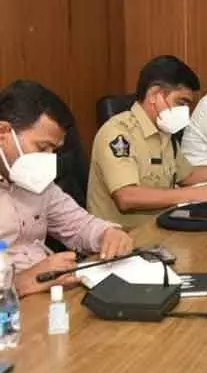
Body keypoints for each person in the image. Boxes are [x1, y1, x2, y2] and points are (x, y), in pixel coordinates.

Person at [0, 80, 133, 296]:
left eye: (54, 150)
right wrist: (22, 282)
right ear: (3, 132)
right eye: (42, 148)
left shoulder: (35, 182)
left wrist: (108, 234)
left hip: (52, 298)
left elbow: (79, 225)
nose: (49, 159)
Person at [87, 56, 207, 229]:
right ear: (155, 95)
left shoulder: (164, 131)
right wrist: (199, 194)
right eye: (181, 103)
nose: (185, 112)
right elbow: (126, 197)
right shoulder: (118, 133)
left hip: (162, 229)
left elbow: (188, 176)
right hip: (122, 240)